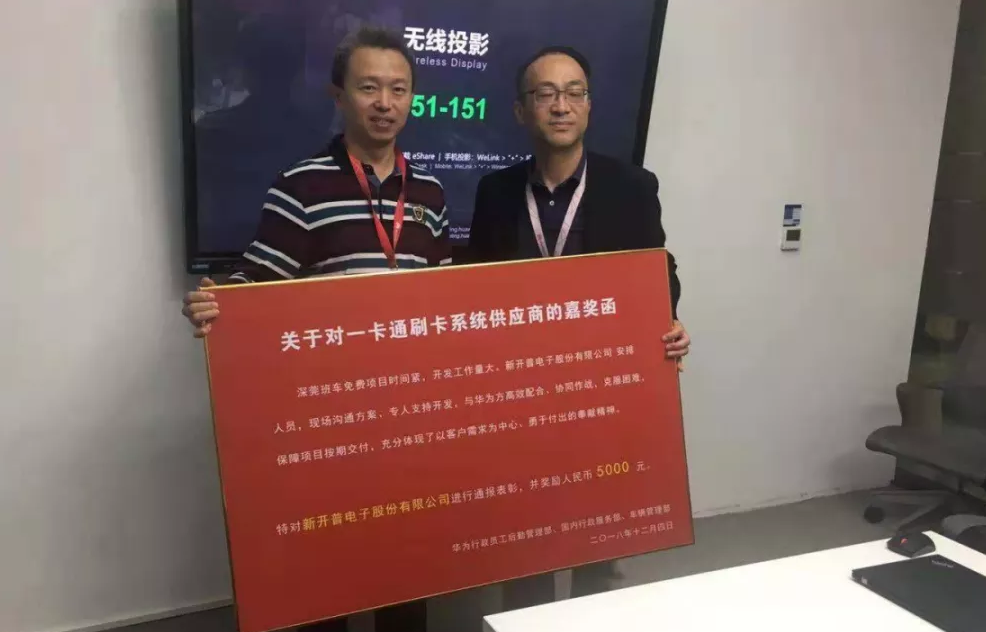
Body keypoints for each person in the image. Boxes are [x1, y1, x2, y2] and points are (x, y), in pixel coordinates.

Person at [182, 26, 446, 632]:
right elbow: (260, 278)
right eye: (369, 87)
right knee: (331, 570)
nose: (385, 103)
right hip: (336, 413)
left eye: (399, 89)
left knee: (409, 566)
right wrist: (219, 304)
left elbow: (443, 293)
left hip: (410, 417)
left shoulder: (430, 192)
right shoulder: (301, 184)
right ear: (339, 95)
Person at [463, 45, 691, 611]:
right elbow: (475, 287)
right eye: (545, 94)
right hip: (519, 392)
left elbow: (658, 269)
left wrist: (669, 320)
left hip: (597, 389)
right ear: (521, 110)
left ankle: (593, 614)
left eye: (573, 93)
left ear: (588, 106)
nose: (560, 106)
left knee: (598, 530)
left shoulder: (631, 185)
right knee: (525, 533)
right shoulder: (495, 191)